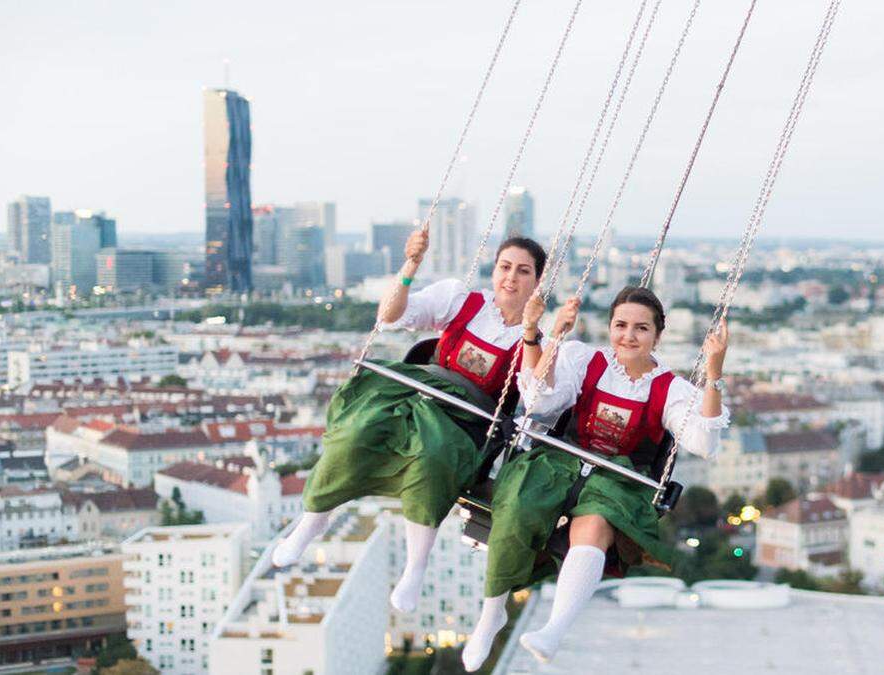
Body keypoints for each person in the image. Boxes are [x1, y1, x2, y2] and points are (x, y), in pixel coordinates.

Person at [271, 230, 548, 616]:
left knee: (433, 457)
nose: (511, 278)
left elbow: (535, 397)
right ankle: (312, 520)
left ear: (537, 283)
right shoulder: (461, 299)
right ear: (494, 270)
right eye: (505, 267)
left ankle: (415, 566)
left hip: (466, 417)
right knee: (360, 430)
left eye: (523, 272)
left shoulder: (535, 341)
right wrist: (410, 267)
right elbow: (391, 315)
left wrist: (532, 334)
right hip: (420, 391)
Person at [460, 287, 730, 670]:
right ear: (609, 327)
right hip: (563, 462)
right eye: (621, 325)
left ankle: (554, 628)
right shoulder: (586, 360)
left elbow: (703, 440)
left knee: (596, 523)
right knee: (518, 504)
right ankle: (491, 614)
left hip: (616, 478)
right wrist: (550, 336)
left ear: (657, 335)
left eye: (641, 328)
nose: (629, 336)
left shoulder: (668, 389)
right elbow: (539, 398)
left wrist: (714, 374)